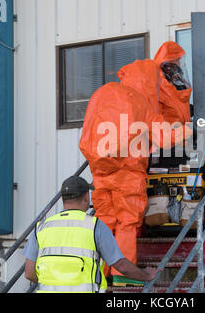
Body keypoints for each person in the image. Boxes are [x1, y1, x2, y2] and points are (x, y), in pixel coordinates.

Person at [79, 55, 192, 287]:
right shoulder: (141, 102)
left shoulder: (103, 93)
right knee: (127, 222)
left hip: (100, 170)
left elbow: (88, 129)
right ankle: (124, 274)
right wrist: (189, 130)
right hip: (128, 171)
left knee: (105, 220)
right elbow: (165, 136)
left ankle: (101, 270)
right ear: (150, 82)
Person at [22, 175, 161, 293]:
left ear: (63, 199)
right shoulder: (95, 226)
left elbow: (29, 272)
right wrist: (146, 276)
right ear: (85, 198)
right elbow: (121, 265)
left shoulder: (41, 228)